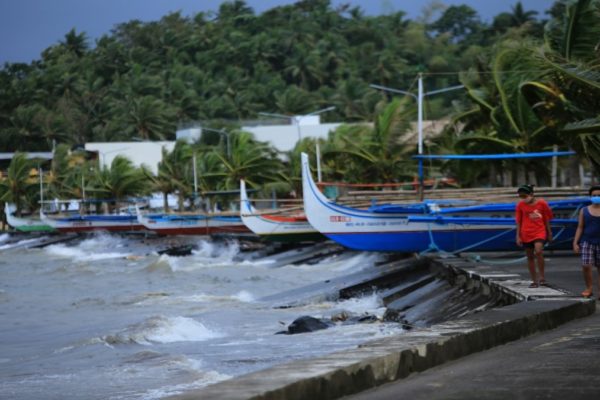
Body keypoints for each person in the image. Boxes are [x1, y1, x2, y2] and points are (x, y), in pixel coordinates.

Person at [515, 184, 553, 288]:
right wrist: (518, 236)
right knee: (530, 256)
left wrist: (549, 233)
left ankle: (542, 276)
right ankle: (534, 280)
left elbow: (547, 218)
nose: (523, 199)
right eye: (521, 197)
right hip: (526, 233)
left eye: (525, 196)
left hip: (539, 231)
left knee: (539, 251)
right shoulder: (520, 205)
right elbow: (519, 221)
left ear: (531, 194)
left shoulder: (542, 203)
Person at [573, 185, 600, 298]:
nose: (596, 197)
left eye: (599, 195)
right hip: (587, 242)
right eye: (594, 195)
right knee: (586, 265)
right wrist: (575, 242)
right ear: (590, 196)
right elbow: (580, 227)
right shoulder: (584, 210)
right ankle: (589, 288)